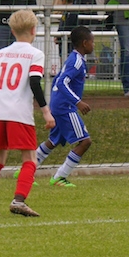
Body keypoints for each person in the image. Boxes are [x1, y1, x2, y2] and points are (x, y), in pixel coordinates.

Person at [0, 10, 55, 217]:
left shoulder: (1, 53)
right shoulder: (35, 54)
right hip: (19, 113)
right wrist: (46, 112)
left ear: (12, 31)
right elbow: (35, 82)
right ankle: (19, 200)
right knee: (30, 159)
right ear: (34, 30)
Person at [28, 26, 95, 187]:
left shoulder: (75, 58)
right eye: (92, 42)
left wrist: (56, 101)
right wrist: (77, 102)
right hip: (65, 107)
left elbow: (59, 80)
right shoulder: (76, 61)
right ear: (85, 43)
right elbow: (61, 82)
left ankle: (26, 170)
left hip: (59, 104)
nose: (93, 45)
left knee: (54, 140)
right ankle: (60, 177)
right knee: (85, 141)